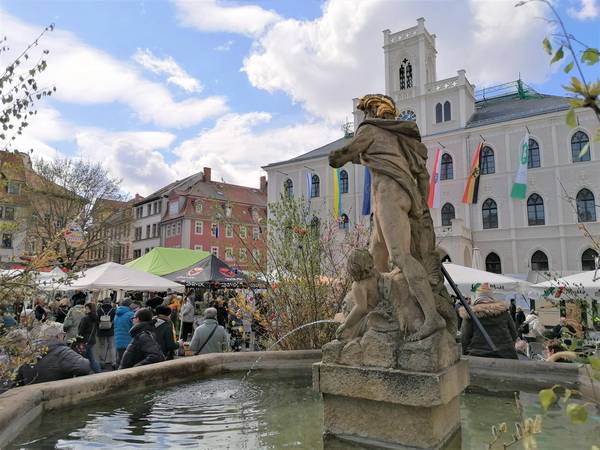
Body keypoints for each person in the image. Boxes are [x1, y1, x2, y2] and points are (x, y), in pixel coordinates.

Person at [329, 94, 454, 341]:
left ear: (373, 111)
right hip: (396, 195)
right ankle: (375, 310)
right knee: (377, 253)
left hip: (389, 193)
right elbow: (417, 173)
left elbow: (345, 153)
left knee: (400, 256)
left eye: (366, 112)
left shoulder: (369, 129)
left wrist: (336, 157)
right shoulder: (393, 136)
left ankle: (431, 317)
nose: (363, 118)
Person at [16, 322, 92, 385]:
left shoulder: (28, 350)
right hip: (55, 396)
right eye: (63, 335)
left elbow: (18, 379)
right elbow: (84, 366)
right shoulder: (62, 351)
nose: (64, 338)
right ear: (58, 336)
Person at [459, 283, 518, 359]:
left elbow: (464, 338)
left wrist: (465, 354)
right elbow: (514, 334)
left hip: (477, 356)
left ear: (477, 297)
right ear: (491, 296)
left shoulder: (470, 314)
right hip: (506, 355)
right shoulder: (504, 312)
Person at [78, 302, 101, 373]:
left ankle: (84, 372)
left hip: (84, 340)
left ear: (91, 309)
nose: (85, 310)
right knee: (90, 358)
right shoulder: (96, 318)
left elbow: (80, 331)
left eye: (87, 308)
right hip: (91, 340)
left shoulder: (85, 319)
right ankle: (97, 371)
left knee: (83, 358)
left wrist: (78, 341)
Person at [96, 297, 116, 369]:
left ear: (103, 302)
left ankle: (102, 363)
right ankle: (114, 362)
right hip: (110, 330)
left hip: (101, 331)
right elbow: (114, 320)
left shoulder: (99, 310)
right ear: (110, 302)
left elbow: (96, 320)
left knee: (102, 346)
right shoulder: (113, 310)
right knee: (112, 346)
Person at [114, 298, 135, 366]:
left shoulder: (117, 314)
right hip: (128, 341)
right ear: (129, 305)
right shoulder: (130, 314)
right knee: (127, 362)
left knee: (120, 360)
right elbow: (135, 327)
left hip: (118, 341)